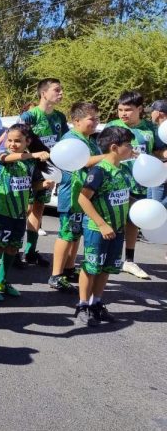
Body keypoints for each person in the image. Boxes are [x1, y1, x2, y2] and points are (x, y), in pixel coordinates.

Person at [0, 124, 52, 301]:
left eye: (17, 141)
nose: (12, 144)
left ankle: (1, 281)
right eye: (9, 140)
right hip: (3, 211)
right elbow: (5, 158)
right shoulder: (2, 154)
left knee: (13, 248)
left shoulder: (30, 163)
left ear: (28, 141)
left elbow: (33, 184)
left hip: (20, 213)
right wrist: (33, 154)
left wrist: (44, 184)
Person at [75, 126, 135, 326]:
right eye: (128, 145)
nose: (132, 148)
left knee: (106, 267)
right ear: (114, 147)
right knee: (91, 267)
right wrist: (101, 224)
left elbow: (122, 197)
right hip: (97, 229)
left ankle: (96, 303)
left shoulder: (123, 170)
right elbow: (83, 199)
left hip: (117, 229)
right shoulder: (99, 171)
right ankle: (82, 305)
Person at [105, 91, 165, 279]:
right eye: (120, 109)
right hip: (115, 183)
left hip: (140, 185)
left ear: (139, 109)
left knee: (133, 222)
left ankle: (129, 261)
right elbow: (103, 154)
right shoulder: (112, 127)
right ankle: (107, 257)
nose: (123, 113)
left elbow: (159, 152)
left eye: (128, 110)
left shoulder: (150, 128)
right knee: (112, 221)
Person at [49, 102, 105, 293]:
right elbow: (84, 162)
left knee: (75, 233)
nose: (95, 122)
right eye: (91, 119)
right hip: (72, 195)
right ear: (76, 121)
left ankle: (69, 268)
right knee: (66, 234)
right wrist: (109, 156)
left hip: (85, 195)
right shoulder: (71, 139)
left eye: (97, 118)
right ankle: (56, 275)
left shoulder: (89, 139)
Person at [17, 79, 69, 268]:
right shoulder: (29, 116)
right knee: (23, 209)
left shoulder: (60, 117)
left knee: (38, 208)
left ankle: (30, 252)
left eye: (61, 90)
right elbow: (17, 139)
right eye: (57, 90)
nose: (61, 93)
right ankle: (13, 250)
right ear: (43, 93)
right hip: (28, 168)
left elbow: (65, 142)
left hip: (48, 169)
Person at [146, 100, 167, 208]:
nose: (150, 114)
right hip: (155, 173)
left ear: (158, 113)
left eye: (152, 111)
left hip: (161, 175)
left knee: (157, 207)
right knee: (151, 204)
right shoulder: (156, 129)